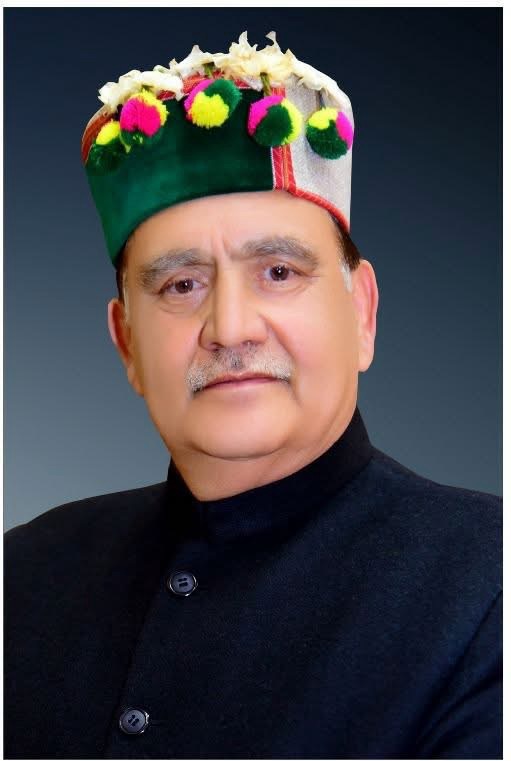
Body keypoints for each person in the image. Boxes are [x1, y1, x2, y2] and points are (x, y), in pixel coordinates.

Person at [4, 31, 502, 760]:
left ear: (361, 313)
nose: (229, 327)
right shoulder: (23, 575)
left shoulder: (487, 585)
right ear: (128, 345)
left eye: (278, 272)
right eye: (182, 285)